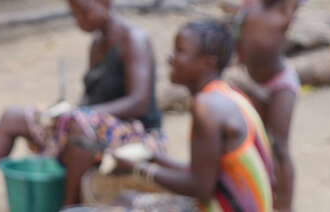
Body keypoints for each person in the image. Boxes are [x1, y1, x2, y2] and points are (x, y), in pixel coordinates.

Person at [0, 0, 163, 210]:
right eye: (75, 14)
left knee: (79, 126)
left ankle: (68, 207)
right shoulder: (97, 44)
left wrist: (83, 114)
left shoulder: (134, 40)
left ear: (105, 2)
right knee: (14, 117)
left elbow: (139, 102)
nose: (79, 20)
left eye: (84, 11)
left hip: (136, 131)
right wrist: (68, 112)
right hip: (98, 123)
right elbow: (90, 96)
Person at [114, 19, 273, 212]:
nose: (171, 57)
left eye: (180, 51)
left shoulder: (206, 107)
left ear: (208, 63)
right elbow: (204, 172)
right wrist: (153, 157)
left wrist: (137, 169)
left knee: (125, 203)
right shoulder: (230, 95)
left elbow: (200, 187)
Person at [231, 0, 311, 212]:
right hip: (251, 83)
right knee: (257, 144)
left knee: (279, 146)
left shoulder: (286, 7)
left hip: (280, 84)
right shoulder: (248, 8)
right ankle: (260, 198)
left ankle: (285, 206)